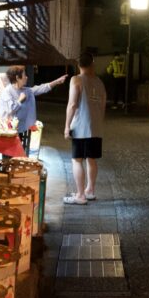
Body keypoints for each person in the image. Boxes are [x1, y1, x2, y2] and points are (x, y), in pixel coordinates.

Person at [63, 52, 107, 205]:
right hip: (96, 127)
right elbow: (103, 106)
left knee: (77, 160)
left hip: (81, 127)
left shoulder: (76, 79)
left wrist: (67, 126)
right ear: (92, 64)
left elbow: (72, 104)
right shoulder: (100, 82)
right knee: (91, 159)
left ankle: (80, 195)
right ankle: (90, 191)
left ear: (79, 65)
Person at [0, 65, 67, 155]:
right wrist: (19, 100)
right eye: (24, 75)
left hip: (21, 129)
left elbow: (41, 88)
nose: (26, 77)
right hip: (8, 131)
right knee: (8, 156)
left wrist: (56, 82)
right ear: (17, 78)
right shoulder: (7, 91)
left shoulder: (26, 91)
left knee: (19, 155)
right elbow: (10, 109)